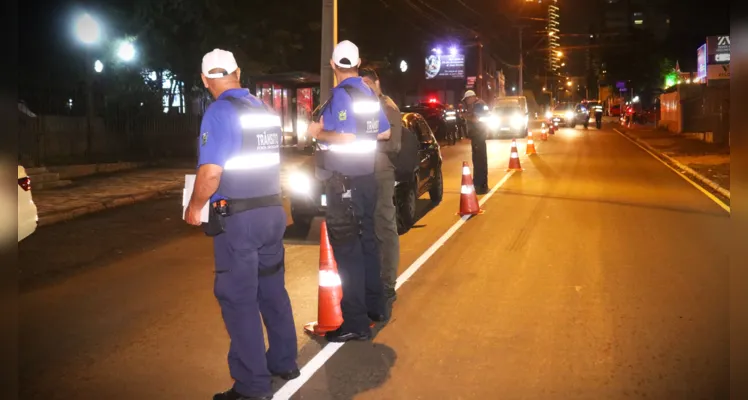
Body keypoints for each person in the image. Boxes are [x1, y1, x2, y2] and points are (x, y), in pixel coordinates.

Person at [184, 48, 298, 400]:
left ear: (205, 80)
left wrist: (195, 205)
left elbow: (211, 173)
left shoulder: (218, 112)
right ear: (237, 71)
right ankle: (283, 361)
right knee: (272, 290)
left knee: (239, 299)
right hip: (271, 212)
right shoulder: (263, 109)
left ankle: (252, 386)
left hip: (241, 221)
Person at [307, 40, 392, 342]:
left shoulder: (341, 95)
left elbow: (343, 137)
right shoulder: (368, 93)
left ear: (333, 65)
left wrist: (319, 133)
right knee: (368, 242)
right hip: (366, 177)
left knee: (348, 251)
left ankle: (355, 321)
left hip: (345, 182)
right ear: (357, 64)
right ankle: (375, 306)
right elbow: (385, 131)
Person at [359, 67, 401, 320]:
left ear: (377, 82)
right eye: (360, 83)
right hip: (363, 174)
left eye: (367, 82)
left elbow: (394, 144)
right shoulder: (363, 107)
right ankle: (372, 283)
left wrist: (362, 138)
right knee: (367, 230)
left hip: (382, 174)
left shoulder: (387, 107)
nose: (365, 87)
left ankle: (387, 285)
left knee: (385, 228)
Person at [462, 90, 490, 194]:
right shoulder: (477, 105)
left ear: (472, 97)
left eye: (467, 99)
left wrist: (465, 116)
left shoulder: (478, 105)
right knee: (479, 160)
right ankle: (480, 184)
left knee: (479, 161)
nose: (466, 102)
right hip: (478, 136)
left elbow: (475, 119)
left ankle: (480, 185)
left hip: (479, 135)